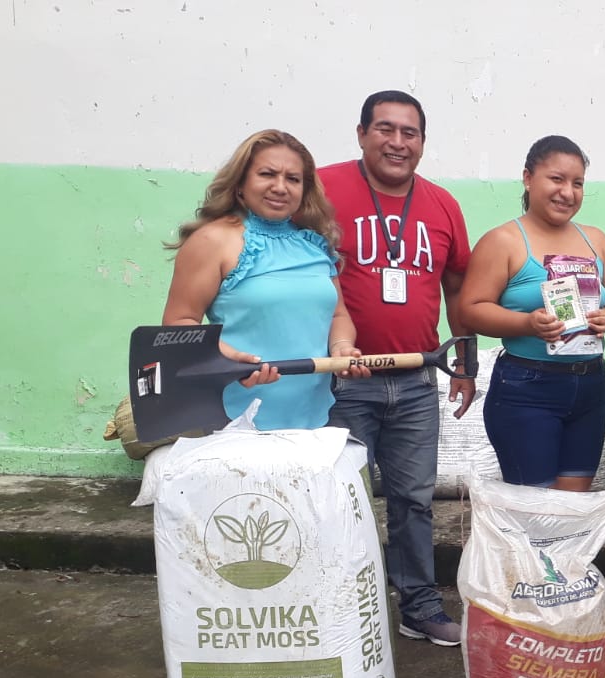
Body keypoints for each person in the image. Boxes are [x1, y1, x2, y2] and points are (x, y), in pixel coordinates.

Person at [320, 90, 474, 649]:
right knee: (342, 501)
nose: (397, 142)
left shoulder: (442, 205)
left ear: (423, 143)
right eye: (385, 129)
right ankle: (339, 609)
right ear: (362, 133)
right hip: (343, 380)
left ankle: (419, 606)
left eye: (409, 133)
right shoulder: (322, 189)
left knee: (413, 500)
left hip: (416, 380)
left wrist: (464, 361)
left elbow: (457, 287)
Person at [161, 129, 367, 430]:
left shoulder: (315, 244)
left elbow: (338, 314)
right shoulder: (212, 240)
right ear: (240, 183)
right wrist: (228, 358)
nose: (280, 187)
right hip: (232, 418)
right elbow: (178, 324)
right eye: (267, 174)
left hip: (316, 419)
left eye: (293, 179)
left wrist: (342, 347)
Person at [456, 135, 605, 490]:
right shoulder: (503, 240)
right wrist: (527, 324)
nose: (568, 192)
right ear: (528, 178)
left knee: (571, 506)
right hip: (527, 388)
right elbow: (471, 310)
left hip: (590, 385)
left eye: (577, 183)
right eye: (557, 179)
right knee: (536, 508)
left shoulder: (596, 239)